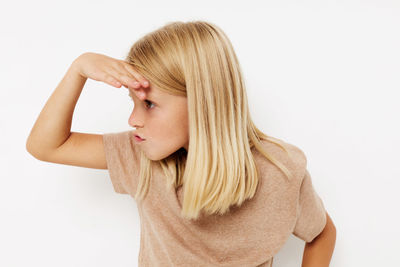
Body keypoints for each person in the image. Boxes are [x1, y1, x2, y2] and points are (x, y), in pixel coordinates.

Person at [26, 20, 336, 267]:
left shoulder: (282, 171)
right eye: (132, 102)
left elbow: (321, 233)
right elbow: (47, 146)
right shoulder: (141, 156)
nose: (133, 119)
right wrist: (79, 68)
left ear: (203, 103)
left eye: (148, 104)